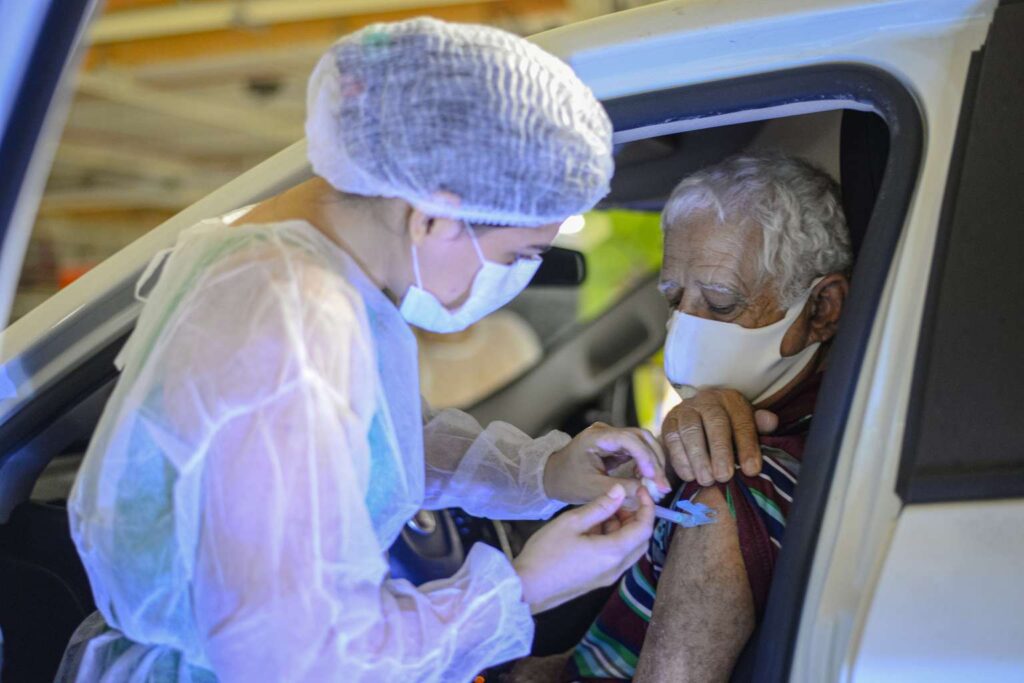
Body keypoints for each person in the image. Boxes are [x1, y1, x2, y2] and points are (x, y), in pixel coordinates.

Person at [54, 19, 678, 682]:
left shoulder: (308, 272)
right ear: (435, 214)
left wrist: (546, 473)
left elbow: (368, 442)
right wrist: (524, 588)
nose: (513, 280)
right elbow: (300, 658)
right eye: (516, 256)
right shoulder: (292, 311)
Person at [505, 152, 852, 682]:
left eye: (720, 303)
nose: (688, 326)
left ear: (822, 309)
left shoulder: (733, 488)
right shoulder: (802, 433)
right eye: (674, 298)